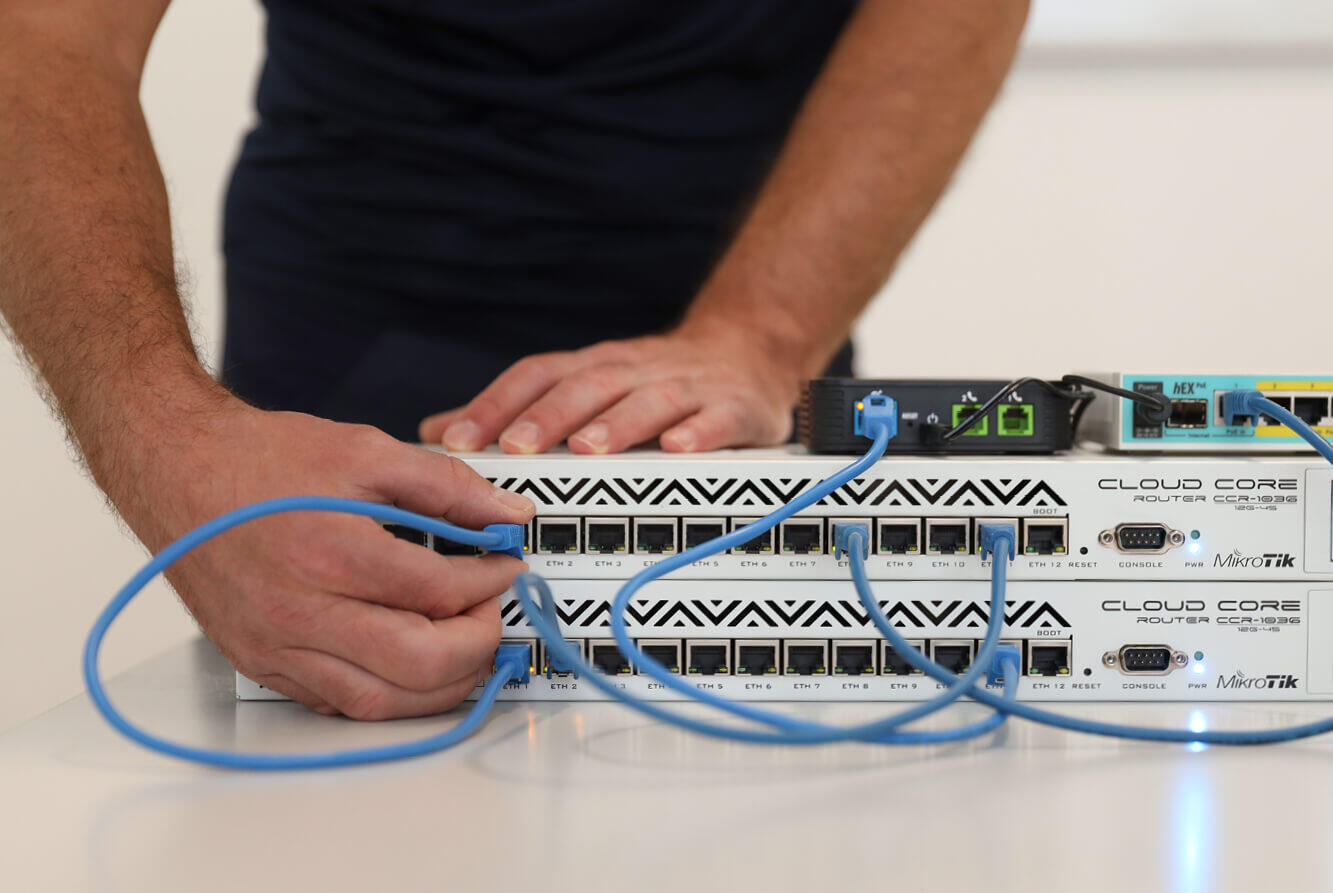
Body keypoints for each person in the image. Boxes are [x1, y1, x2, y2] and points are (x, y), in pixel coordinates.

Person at [0, 0, 1030, 719]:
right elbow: (44, 31)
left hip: (752, 327)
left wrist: (761, 334)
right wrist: (172, 441)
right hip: (352, 321)